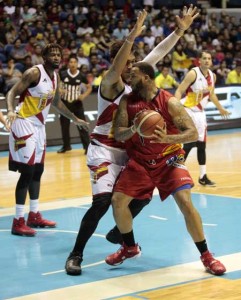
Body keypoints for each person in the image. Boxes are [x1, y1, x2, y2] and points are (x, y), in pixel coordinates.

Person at [65, 5, 199, 276]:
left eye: (131, 63)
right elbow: (118, 66)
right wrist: (131, 37)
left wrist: (179, 31)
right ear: (117, 62)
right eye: (125, 62)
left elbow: (157, 53)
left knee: (140, 197)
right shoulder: (109, 84)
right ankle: (76, 254)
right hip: (104, 149)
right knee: (102, 202)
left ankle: (126, 240)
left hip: (129, 150)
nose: (130, 66)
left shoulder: (135, 84)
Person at [105, 61, 226, 276]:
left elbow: (191, 133)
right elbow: (120, 133)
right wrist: (134, 128)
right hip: (140, 162)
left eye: (133, 75)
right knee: (118, 202)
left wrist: (167, 137)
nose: (128, 79)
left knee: (186, 203)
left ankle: (207, 256)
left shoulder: (169, 102)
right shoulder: (127, 101)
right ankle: (130, 248)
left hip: (168, 160)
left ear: (146, 78)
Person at [6, 43, 89, 237]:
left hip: (39, 127)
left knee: (38, 171)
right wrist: (10, 110)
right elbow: (11, 93)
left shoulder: (55, 76)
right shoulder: (33, 73)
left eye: (59, 54)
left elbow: (58, 103)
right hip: (24, 123)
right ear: (44, 57)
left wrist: (75, 119)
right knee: (26, 172)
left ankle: (34, 214)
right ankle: (18, 221)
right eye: (52, 54)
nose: (56, 57)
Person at [175, 51, 230, 186]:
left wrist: (220, 108)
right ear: (199, 61)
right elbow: (179, 90)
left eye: (209, 59)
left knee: (201, 145)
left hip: (200, 113)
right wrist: (175, 109)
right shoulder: (193, 73)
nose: (207, 60)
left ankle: (202, 176)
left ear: (211, 61)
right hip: (188, 110)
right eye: (204, 58)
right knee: (188, 144)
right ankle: (176, 175)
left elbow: (212, 95)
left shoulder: (213, 76)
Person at [57, 56, 92, 154]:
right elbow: (56, 84)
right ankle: (66, 146)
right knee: (64, 126)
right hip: (65, 104)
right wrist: (60, 89)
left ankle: (87, 147)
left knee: (82, 125)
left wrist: (83, 96)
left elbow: (89, 87)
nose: (72, 64)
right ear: (68, 64)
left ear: (77, 64)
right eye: (71, 62)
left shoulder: (81, 75)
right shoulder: (63, 74)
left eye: (74, 62)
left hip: (77, 104)